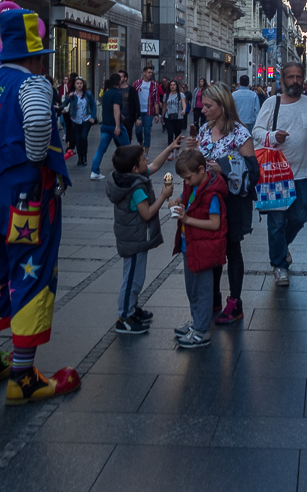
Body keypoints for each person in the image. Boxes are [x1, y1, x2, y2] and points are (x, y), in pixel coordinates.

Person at [0, 8, 79, 405]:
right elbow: (36, 127)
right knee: (31, 274)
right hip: (25, 197)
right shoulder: (33, 86)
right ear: (34, 57)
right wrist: (33, 162)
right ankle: (23, 375)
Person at [252, 61, 307, 287]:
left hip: (300, 174)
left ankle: (282, 248)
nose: (295, 81)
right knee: (276, 222)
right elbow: (256, 132)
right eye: (291, 77)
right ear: (282, 80)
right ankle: (279, 265)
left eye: (298, 77)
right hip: (275, 174)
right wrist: (273, 136)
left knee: (300, 217)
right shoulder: (271, 103)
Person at [192, 83, 258, 324]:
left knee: (232, 249)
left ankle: (235, 302)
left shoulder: (240, 133)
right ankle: (214, 296)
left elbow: (253, 171)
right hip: (209, 199)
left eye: (208, 106)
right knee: (214, 248)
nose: (203, 109)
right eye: (203, 105)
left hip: (232, 201)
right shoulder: (204, 130)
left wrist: (225, 169)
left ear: (222, 106)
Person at [106, 141, 180, 334]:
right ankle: (124, 317)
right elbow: (147, 213)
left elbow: (155, 165)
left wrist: (170, 147)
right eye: (143, 159)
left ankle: (132, 308)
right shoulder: (136, 188)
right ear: (134, 168)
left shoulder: (128, 177)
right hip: (134, 238)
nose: (146, 160)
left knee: (135, 277)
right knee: (132, 279)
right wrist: (163, 196)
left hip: (132, 236)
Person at [170, 148, 227, 348]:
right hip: (190, 245)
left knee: (202, 290)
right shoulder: (193, 186)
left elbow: (214, 223)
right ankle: (196, 322)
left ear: (202, 170)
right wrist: (178, 200)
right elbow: (187, 195)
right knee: (192, 288)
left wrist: (187, 219)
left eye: (188, 178)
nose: (186, 182)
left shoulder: (212, 194)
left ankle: (202, 330)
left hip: (204, 248)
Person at [91, 74, 129, 180]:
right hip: (114, 125)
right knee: (127, 148)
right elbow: (115, 109)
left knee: (101, 149)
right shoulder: (117, 93)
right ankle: (130, 169)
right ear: (118, 81)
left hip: (105, 125)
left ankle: (94, 171)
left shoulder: (106, 93)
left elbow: (108, 109)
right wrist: (117, 125)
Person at [65, 77, 97, 166]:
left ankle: (85, 157)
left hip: (86, 119)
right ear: (74, 85)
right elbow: (65, 104)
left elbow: (93, 105)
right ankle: (80, 158)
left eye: (81, 83)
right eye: (77, 83)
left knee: (83, 137)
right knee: (78, 139)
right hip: (75, 119)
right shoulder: (72, 95)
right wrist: (68, 97)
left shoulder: (88, 94)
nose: (79, 85)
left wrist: (93, 117)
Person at [132, 65, 163, 153]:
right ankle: (141, 143)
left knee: (147, 132)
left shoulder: (154, 85)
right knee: (138, 132)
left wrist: (156, 114)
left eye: (151, 73)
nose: (150, 74)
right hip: (138, 112)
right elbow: (133, 98)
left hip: (149, 112)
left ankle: (146, 152)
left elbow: (156, 100)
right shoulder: (137, 83)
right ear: (144, 73)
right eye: (148, 72)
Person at [162, 80, 187, 156]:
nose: (172, 86)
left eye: (174, 85)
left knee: (177, 134)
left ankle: (177, 149)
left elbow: (184, 103)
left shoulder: (181, 95)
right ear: (169, 87)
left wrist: (184, 110)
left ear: (177, 86)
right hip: (168, 117)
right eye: (171, 85)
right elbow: (164, 106)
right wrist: (162, 116)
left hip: (178, 117)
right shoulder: (166, 95)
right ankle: (170, 152)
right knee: (170, 134)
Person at [115, 70, 139, 143]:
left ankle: (127, 152)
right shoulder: (116, 90)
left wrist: (138, 117)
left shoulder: (131, 90)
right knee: (117, 138)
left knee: (128, 137)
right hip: (117, 118)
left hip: (129, 117)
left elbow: (136, 103)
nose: (118, 78)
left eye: (120, 76)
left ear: (125, 78)